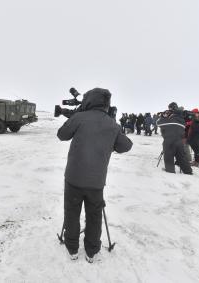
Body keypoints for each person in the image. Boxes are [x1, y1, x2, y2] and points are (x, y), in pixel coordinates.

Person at [57, 88, 132, 263]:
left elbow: (62, 135)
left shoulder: (80, 117)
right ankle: (91, 251)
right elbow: (125, 146)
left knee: (72, 213)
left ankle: (72, 248)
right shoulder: (112, 124)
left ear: (89, 101)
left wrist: (78, 117)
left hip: (74, 178)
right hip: (96, 182)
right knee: (94, 216)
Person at [157, 102, 192, 175]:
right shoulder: (182, 119)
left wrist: (163, 116)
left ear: (170, 109)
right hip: (179, 140)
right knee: (181, 156)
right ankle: (188, 171)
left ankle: (170, 171)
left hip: (169, 140)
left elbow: (158, 123)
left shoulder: (171, 119)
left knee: (168, 155)